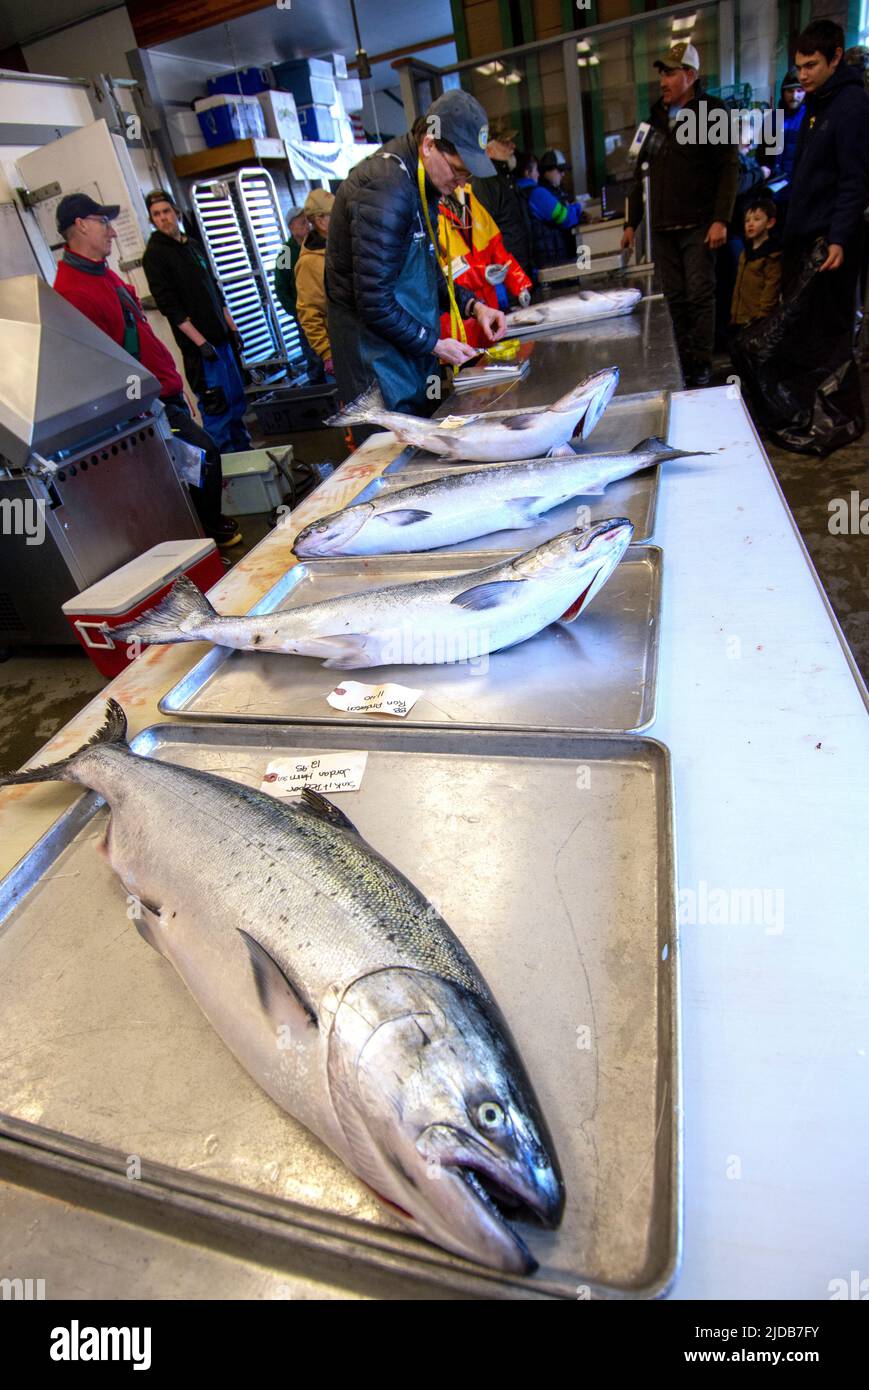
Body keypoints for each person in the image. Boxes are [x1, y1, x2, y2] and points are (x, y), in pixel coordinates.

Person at [53, 193, 241, 548]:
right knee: (203, 455)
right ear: (80, 225)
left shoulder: (101, 275)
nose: (111, 232)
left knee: (195, 461)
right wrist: (146, 402)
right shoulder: (73, 292)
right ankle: (207, 535)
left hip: (161, 391)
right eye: (102, 222)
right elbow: (99, 366)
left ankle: (202, 534)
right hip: (143, 404)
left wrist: (169, 382)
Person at [325, 89, 506, 424]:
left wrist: (473, 306)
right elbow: (373, 300)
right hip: (378, 367)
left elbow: (425, 271)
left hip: (408, 352)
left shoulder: (424, 185)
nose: (461, 183)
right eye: (458, 170)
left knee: (426, 438)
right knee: (394, 457)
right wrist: (436, 343)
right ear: (429, 145)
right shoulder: (385, 189)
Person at [622, 41, 738, 387]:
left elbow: (728, 168)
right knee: (674, 299)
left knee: (700, 295)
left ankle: (702, 365)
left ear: (690, 75)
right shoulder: (654, 120)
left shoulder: (711, 113)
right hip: (662, 228)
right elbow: (639, 175)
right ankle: (682, 363)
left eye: (670, 73)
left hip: (699, 226)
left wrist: (721, 218)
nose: (663, 81)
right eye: (662, 73)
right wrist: (631, 223)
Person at [142, 189, 251, 454]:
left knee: (237, 403)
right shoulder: (155, 255)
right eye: (157, 215)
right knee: (218, 411)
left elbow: (214, 289)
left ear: (176, 213)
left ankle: (249, 459)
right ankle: (228, 474)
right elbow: (170, 307)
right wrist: (200, 342)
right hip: (202, 352)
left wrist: (232, 328)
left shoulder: (190, 245)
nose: (163, 218)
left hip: (222, 340)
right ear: (152, 220)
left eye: (166, 212)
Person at [437, 182, 532, 314]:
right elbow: (438, 278)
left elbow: (496, 247)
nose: (462, 177)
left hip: (489, 309)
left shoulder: (466, 196)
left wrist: (520, 285)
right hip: (456, 317)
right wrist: (482, 274)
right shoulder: (424, 212)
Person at [470, 118, 534, 279]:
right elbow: (484, 236)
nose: (513, 146)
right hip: (508, 277)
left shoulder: (505, 178)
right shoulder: (485, 182)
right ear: (488, 150)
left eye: (511, 141)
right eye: (505, 143)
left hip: (521, 271)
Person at [274, 205, 326, 384]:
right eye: (302, 223)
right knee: (314, 358)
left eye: (307, 222)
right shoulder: (286, 252)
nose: (307, 227)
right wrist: (295, 311)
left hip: (324, 310)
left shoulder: (317, 244)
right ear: (291, 227)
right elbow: (280, 286)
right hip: (305, 313)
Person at [293, 188, 335, 380]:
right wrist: (327, 353)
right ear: (320, 220)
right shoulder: (308, 262)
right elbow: (308, 311)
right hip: (339, 350)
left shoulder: (338, 246)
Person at [520, 150, 585, 269]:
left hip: (531, 260)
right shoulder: (537, 193)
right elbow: (565, 218)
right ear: (527, 172)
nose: (538, 175)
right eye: (536, 170)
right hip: (548, 258)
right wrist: (578, 207)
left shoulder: (517, 191)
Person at [730, 195, 781, 330]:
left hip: (758, 319)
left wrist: (763, 315)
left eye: (757, 219)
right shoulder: (745, 253)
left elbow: (771, 287)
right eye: (747, 221)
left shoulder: (772, 255)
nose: (750, 224)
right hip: (740, 316)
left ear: (770, 223)